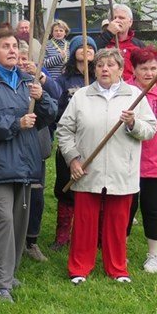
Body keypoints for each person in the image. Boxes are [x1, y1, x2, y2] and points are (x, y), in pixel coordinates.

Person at [57, 48, 156, 285]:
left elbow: (150, 129)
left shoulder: (134, 95)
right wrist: (73, 159)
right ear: (94, 69)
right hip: (87, 170)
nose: (105, 69)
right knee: (84, 222)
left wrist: (133, 123)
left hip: (122, 171)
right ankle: (79, 267)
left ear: (121, 70)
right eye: (100, 65)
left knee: (117, 223)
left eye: (111, 65)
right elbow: (64, 130)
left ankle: (117, 268)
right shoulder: (82, 96)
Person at [0, 28, 57, 303]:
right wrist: (15, 123)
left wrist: (42, 98)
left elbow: (48, 117)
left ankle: (8, 273)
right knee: (3, 222)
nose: (12, 50)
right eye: (5, 46)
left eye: (14, 46)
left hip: (25, 162)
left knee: (19, 224)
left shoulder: (26, 81)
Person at [126, 45, 157, 273]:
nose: (149, 73)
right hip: (127, 161)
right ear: (134, 69)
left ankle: (153, 255)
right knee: (126, 208)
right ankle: (119, 251)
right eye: (143, 68)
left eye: (153, 68)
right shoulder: (124, 92)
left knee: (153, 208)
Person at [15, 42, 61, 263]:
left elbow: (57, 97)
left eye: (25, 59)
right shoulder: (7, 80)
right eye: (18, 59)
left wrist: (41, 77)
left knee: (35, 197)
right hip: (12, 147)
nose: (21, 63)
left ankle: (31, 240)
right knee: (13, 196)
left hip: (36, 147)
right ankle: (12, 238)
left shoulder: (38, 79)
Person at [50, 36, 96, 251]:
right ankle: (62, 235)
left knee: (95, 188)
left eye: (91, 47)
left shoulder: (100, 79)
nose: (86, 50)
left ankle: (92, 234)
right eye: (82, 47)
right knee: (66, 187)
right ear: (74, 51)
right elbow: (57, 109)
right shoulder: (63, 80)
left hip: (94, 142)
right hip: (69, 141)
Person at [95, 3, 145, 80]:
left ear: (130, 22)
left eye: (121, 18)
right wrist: (109, 33)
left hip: (131, 85)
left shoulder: (138, 45)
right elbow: (91, 57)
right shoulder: (102, 41)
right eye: (113, 18)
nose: (117, 20)